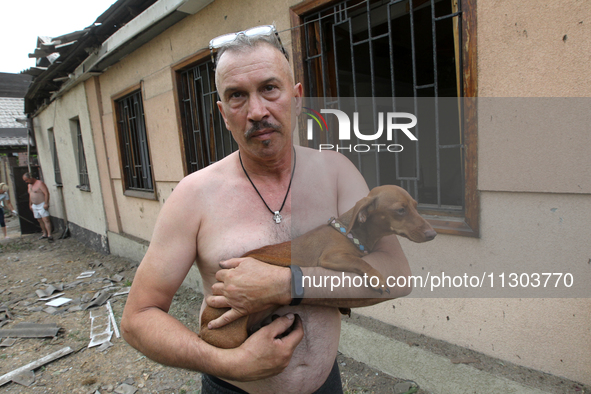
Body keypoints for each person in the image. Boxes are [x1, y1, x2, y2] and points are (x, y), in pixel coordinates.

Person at [121, 26, 412, 394]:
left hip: (326, 385)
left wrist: (285, 284)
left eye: (270, 88)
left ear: (297, 98)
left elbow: (397, 275)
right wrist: (232, 364)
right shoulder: (193, 195)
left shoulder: (337, 173)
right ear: (224, 113)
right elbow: (138, 318)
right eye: (237, 96)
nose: (257, 111)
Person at [22, 173, 53, 242]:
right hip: (35, 205)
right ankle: (44, 233)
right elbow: (30, 195)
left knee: (45, 219)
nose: (26, 182)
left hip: (41, 203)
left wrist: (46, 203)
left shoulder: (40, 183)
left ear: (30, 178)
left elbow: (46, 193)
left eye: (26, 180)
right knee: (39, 219)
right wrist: (30, 204)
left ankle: (49, 234)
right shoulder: (29, 185)